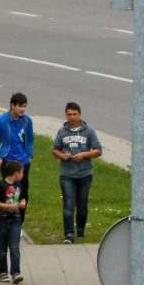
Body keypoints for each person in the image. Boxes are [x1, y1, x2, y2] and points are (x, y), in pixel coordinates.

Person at [52, 102, 102, 244]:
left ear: (80, 114)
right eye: (69, 114)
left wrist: (84, 155)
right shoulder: (62, 132)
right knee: (68, 204)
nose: (72, 117)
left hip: (85, 174)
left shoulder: (89, 131)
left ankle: (80, 230)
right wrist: (62, 156)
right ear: (66, 115)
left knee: (82, 204)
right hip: (67, 174)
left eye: (75, 114)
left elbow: (98, 150)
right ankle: (68, 234)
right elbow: (55, 149)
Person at [0, 92, 33, 223]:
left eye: (25, 106)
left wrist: (29, 156)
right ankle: (6, 218)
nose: (23, 109)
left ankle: (19, 222)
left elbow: (30, 140)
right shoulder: (1, 120)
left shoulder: (27, 120)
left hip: (23, 161)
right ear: (12, 105)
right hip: (7, 161)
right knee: (9, 190)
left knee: (23, 192)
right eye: (20, 106)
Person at [0, 160, 26, 284]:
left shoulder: (19, 186)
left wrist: (22, 204)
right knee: (2, 249)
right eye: (22, 172)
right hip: (1, 221)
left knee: (14, 247)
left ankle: (16, 272)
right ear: (15, 173)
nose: (23, 175)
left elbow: (22, 198)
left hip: (15, 221)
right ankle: (3, 272)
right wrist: (6, 206)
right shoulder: (1, 185)